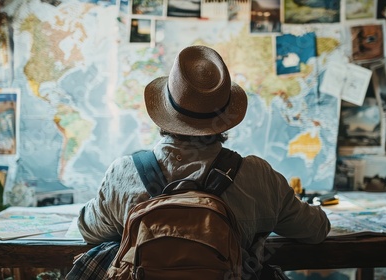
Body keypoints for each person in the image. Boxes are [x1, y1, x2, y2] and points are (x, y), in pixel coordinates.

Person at [74, 45, 330, 279]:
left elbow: (88, 229)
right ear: (225, 116)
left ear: (165, 112)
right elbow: (316, 229)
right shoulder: (258, 175)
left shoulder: (124, 172)